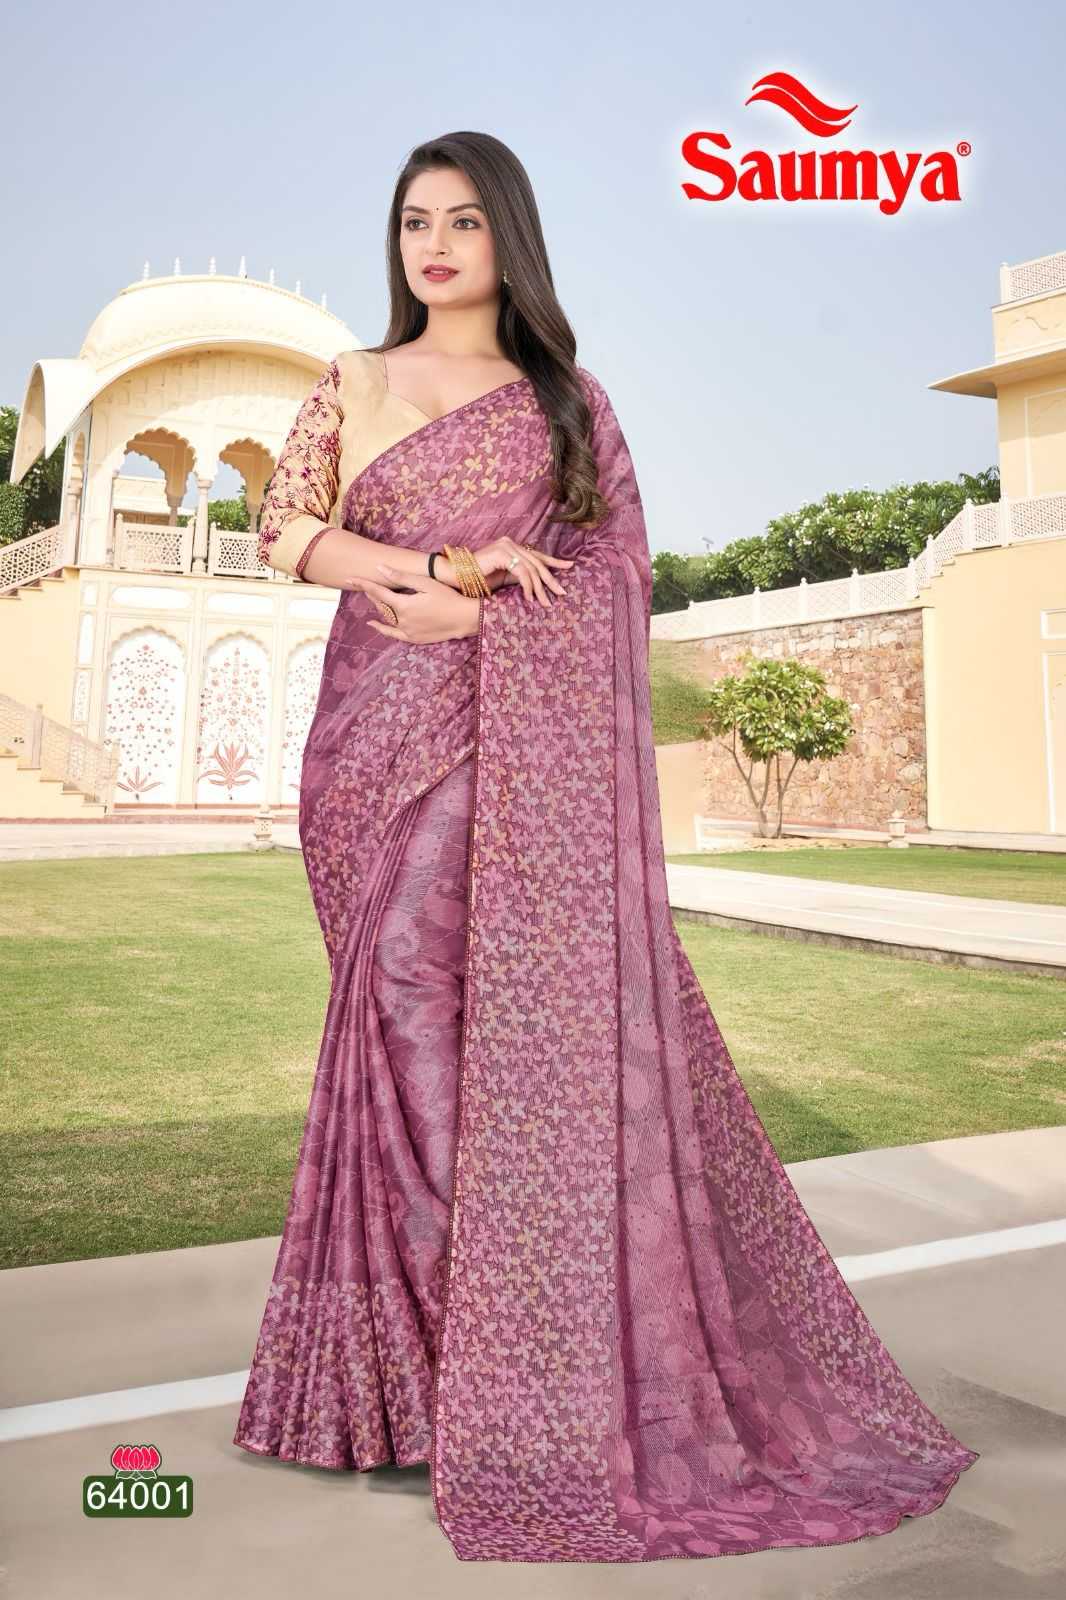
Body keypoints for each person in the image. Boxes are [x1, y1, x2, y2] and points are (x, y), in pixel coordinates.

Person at [232, 130, 979, 1564]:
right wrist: (438, 569)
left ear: (507, 237)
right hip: (367, 747)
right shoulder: (354, 382)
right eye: (412, 222)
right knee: (393, 1031)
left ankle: (499, 1380)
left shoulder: (570, 407)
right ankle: (413, 1383)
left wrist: (488, 622)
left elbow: (616, 579)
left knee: (486, 1047)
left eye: (462, 221)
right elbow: (283, 529)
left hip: (502, 748)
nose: (434, 245)